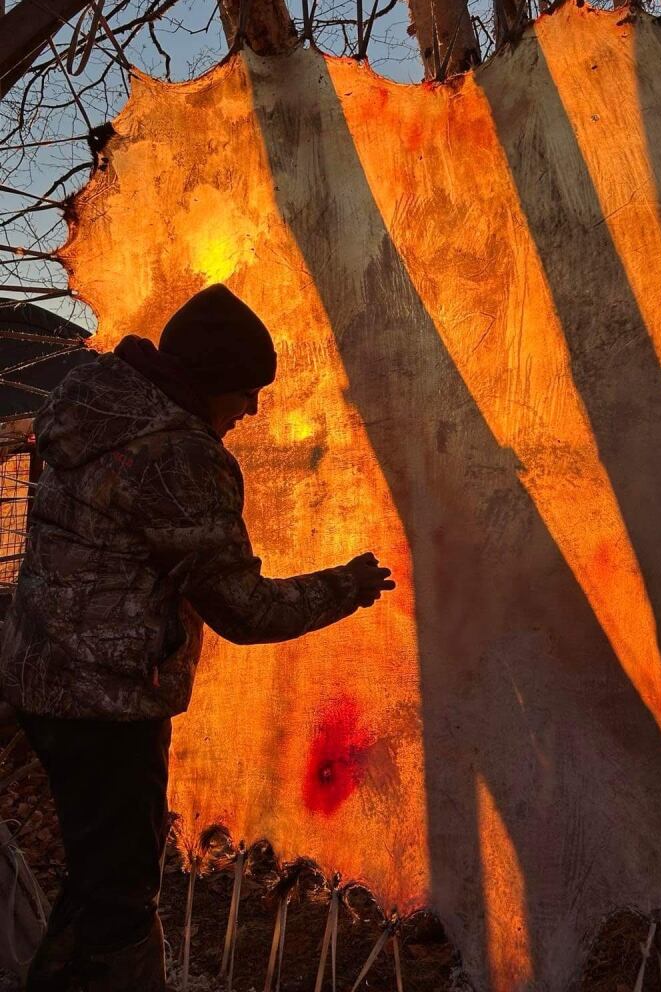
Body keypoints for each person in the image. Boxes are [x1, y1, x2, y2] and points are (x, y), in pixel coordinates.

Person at [0, 283, 394, 991]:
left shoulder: (91, 401)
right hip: (105, 705)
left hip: (39, 676)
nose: (252, 410)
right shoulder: (177, 456)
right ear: (209, 382)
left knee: (98, 882)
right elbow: (243, 611)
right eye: (246, 391)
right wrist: (348, 586)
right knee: (120, 899)